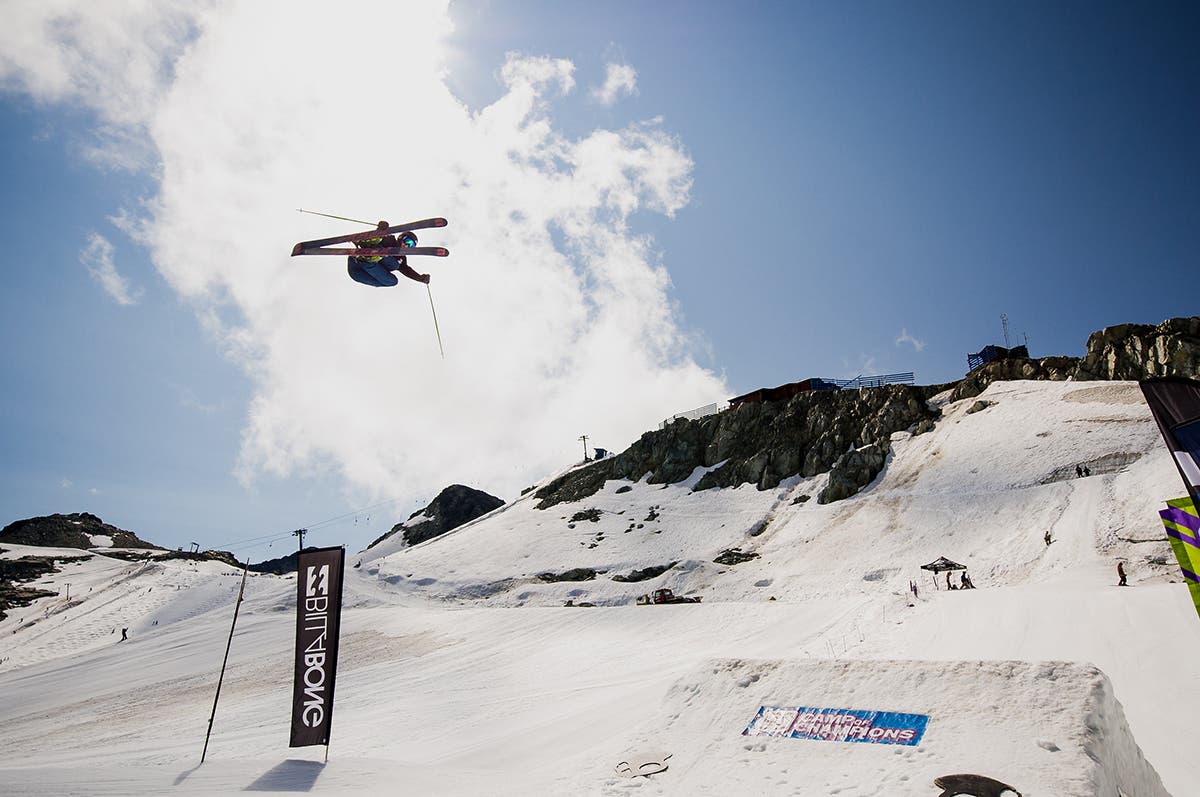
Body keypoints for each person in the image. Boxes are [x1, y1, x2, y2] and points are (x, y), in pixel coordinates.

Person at [346, 221, 430, 288]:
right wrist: (381, 231)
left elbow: (407, 271)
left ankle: (369, 258)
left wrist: (420, 278)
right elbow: (376, 238)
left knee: (392, 281)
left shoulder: (401, 259)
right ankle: (367, 254)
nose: (407, 245)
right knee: (393, 262)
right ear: (401, 237)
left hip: (359, 274)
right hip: (356, 263)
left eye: (411, 245)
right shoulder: (389, 239)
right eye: (407, 241)